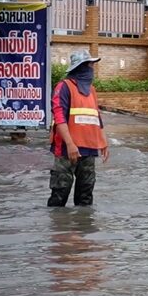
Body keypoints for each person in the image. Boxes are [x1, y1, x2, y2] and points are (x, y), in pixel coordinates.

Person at [49, 49, 110, 207]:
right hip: (66, 149)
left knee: (86, 194)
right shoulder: (63, 87)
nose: (92, 69)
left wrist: (103, 141)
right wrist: (70, 144)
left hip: (88, 148)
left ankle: (82, 228)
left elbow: (96, 116)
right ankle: (58, 229)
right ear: (81, 67)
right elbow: (59, 117)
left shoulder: (91, 90)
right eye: (90, 65)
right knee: (60, 192)